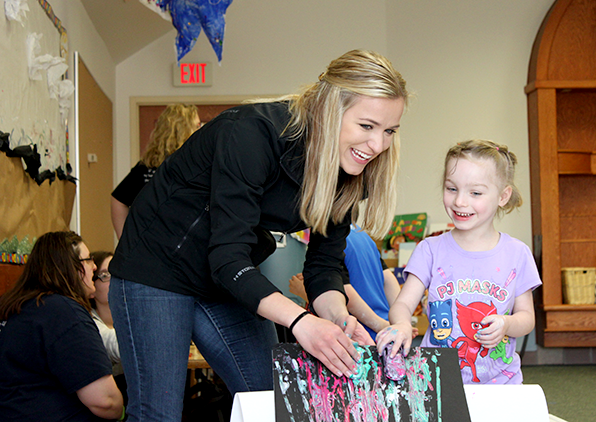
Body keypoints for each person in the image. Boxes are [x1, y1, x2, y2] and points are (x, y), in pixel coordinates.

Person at [109, 49, 409, 421]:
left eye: (389, 131)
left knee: (272, 402)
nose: (378, 146)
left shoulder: (348, 169)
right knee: (159, 414)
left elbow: (324, 265)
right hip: (157, 265)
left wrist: (336, 316)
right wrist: (301, 323)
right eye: (366, 126)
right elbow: (227, 257)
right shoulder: (251, 132)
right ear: (330, 109)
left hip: (224, 276)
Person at [376, 139, 542, 385]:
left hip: (501, 383)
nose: (460, 202)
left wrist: (506, 324)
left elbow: (527, 318)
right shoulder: (430, 250)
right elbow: (402, 305)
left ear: (503, 196)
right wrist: (401, 323)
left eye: (475, 193)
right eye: (451, 188)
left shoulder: (517, 253)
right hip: (440, 380)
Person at [0, 231, 124, 421]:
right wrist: (121, 410)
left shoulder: (14, 307)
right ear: (70, 267)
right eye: (88, 259)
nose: (94, 266)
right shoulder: (63, 312)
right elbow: (105, 401)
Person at [289, 224, 416, 340]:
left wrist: (306, 291)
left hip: (361, 332)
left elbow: (344, 291)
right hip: (386, 326)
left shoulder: (332, 239)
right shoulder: (363, 235)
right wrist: (400, 321)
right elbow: (389, 279)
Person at [111, 103, 201, 238]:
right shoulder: (149, 165)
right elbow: (119, 200)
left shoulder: (196, 164)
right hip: (162, 243)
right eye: (197, 126)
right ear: (184, 130)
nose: (200, 130)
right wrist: (126, 240)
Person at [90, 251, 127, 402]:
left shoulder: (129, 315)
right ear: (92, 285)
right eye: (105, 275)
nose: (114, 280)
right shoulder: (88, 321)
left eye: (117, 273)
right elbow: (116, 344)